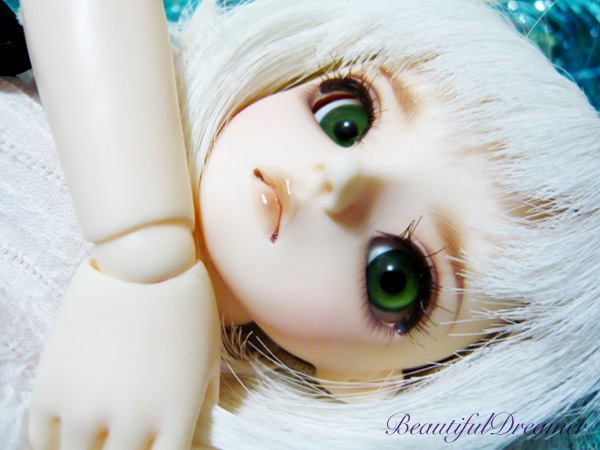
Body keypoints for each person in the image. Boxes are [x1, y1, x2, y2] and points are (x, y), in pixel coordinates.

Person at [3, 0, 599, 448]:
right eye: (347, 120)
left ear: (366, 382)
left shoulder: (166, 420)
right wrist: (145, 250)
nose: (340, 180)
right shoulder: (139, 83)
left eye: (395, 275)